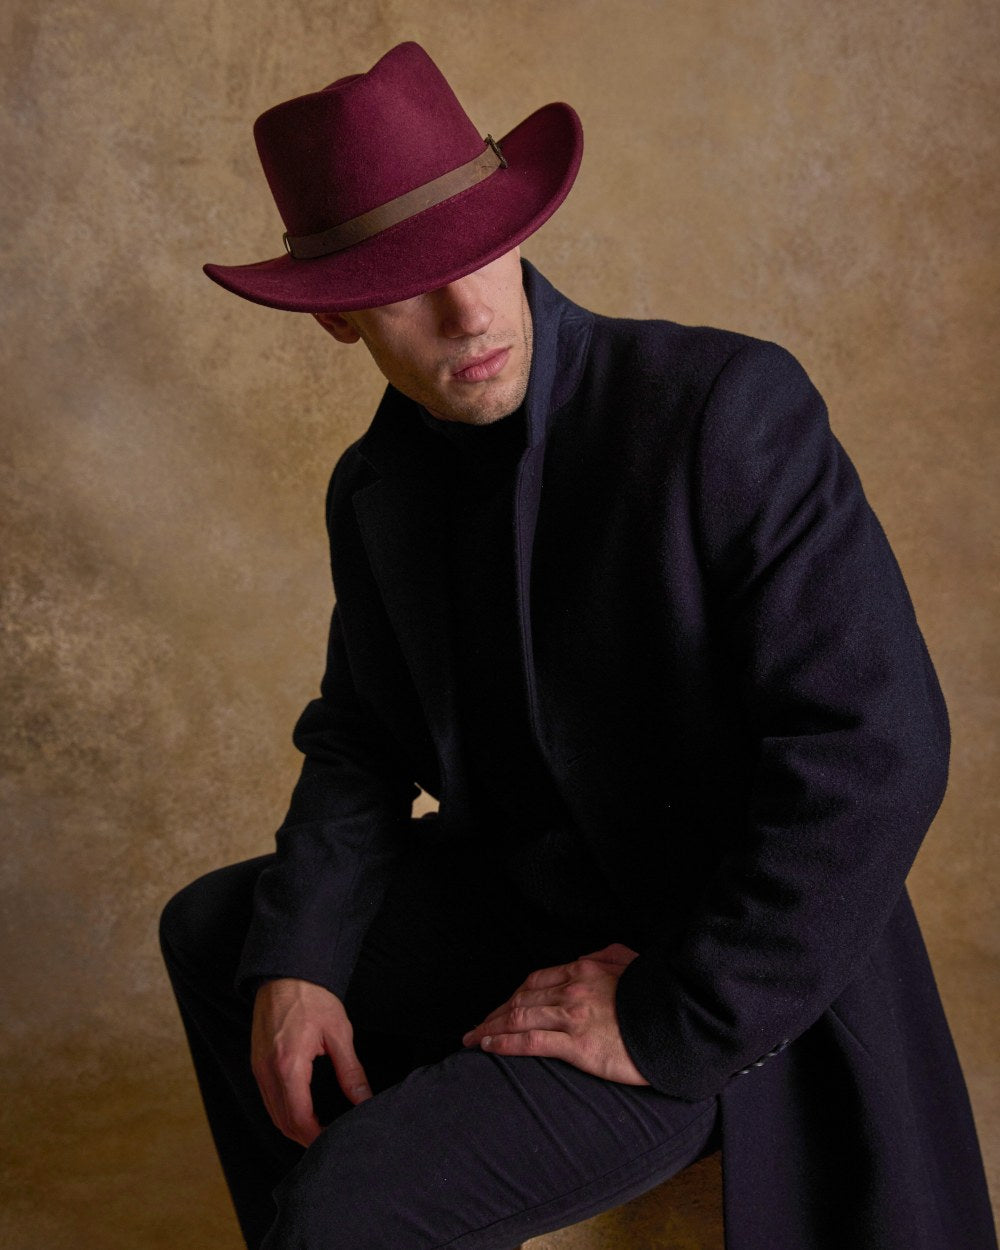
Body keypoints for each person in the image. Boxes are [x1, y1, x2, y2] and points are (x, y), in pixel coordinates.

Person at [159, 41, 997, 1250]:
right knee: (221, 932)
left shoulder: (724, 407)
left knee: (342, 1212)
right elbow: (358, 735)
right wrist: (301, 958)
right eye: (405, 285)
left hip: (712, 957)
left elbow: (882, 751)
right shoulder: (375, 486)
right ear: (338, 317)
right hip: (528, 897)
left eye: (477, 254)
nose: (466, 314)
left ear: (514, 226)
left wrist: (670, 1010)